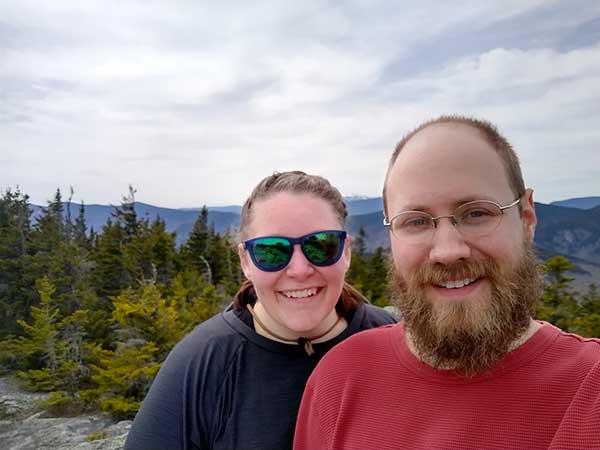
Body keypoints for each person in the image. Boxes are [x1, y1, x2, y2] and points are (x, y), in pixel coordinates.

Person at [293, 117, 600, 450]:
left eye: (476, 213)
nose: (448, 252)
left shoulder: (589, 393)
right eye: (416, 222)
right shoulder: (340, 379)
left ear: (527, 218)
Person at [124, 171, 395, 450]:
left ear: (346, 252)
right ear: (246, 261)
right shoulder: (202, 364)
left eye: (321, 245)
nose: (300, 270)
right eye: (271, 251)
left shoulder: (390, 341)